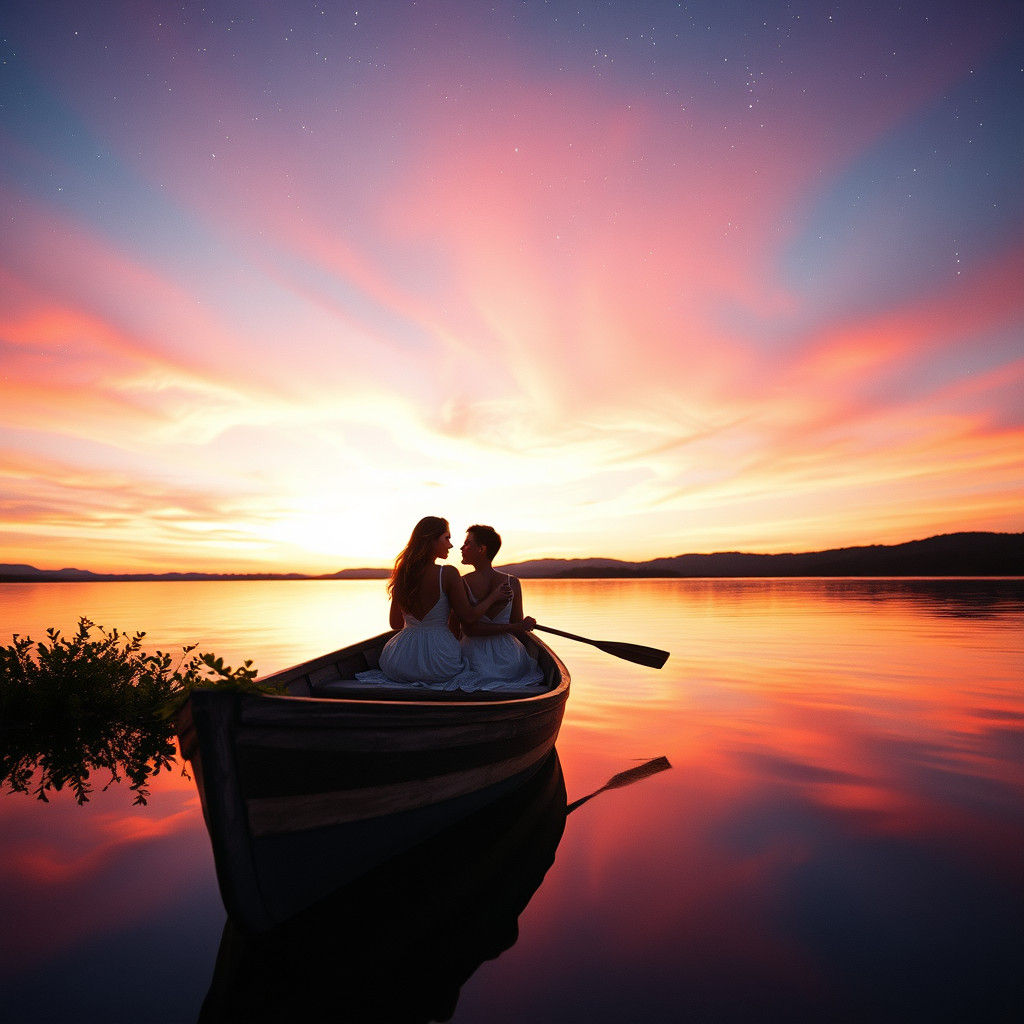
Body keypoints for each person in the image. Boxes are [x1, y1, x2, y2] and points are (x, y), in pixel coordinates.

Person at [357, 516, 511, 686]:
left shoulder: (403, 575)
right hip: (440, 662)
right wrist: (493, 597)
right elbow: (468, 617)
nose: (451, 545)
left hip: (398, 661)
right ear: (431, 540)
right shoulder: (448, 574)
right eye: (447, 538)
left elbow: (395, 624)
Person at [455, 524, 544, 690]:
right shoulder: (513, 582)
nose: (461, 547)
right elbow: (517, 627)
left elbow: (468, 630)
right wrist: (519, 625)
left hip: (474, 656)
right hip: (508, 658)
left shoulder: (461, 583)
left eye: (467, 543)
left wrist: (521, 624)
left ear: (481, 549)